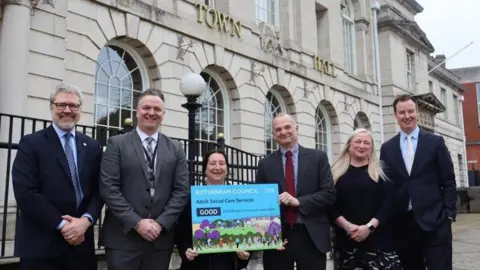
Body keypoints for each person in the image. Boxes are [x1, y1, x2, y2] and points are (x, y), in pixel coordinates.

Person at [11, 83, 104, 270]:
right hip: (41, 245)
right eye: (61, 105)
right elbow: (26, 193)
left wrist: (86, 220)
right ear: (51, 107)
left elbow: (100, 189)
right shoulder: (31, 143)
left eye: (73, 106)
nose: (67, 110)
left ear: (80, 110)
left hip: (81, 245)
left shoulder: (92, 146)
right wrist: (63, 225)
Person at [99, 88, 190, 270]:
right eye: (146, 108)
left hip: (160, 240)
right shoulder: (116, 144)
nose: (151, 113)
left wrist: (161, 223)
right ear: (137, 112)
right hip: (123, 240)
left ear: (163, 114)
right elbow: (108, 187)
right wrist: (137, 222)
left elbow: (181, 190)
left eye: (157, 109)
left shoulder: (176, 148)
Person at [380, 94, 457, 270]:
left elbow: (448, 180)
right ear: (395, 115)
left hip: (435, 222)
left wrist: (449, 214)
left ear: (417, 113)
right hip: (402, 223)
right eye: (402, 112)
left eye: (410, 111)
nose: (407, 116)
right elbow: (386, 185)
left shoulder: (435, 142)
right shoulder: (387, 148)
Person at [255, 113, 336, 270]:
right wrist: (269, 239)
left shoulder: (318, 157)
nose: (283, 132)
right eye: (278, 129)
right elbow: (260, 204)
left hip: (311, 235)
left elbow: (329, 193)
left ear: (296, 128)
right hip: (279, 238)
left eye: (287, 127)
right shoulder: (265, 164)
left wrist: (299, 201)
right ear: (273, 134)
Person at [328, 128, 401, 269]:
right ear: (349, 145)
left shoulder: (383, 171)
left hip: (379, 242)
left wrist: (369, 227)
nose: (362, 146)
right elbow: (330, 205)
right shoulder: (335, 172)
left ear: (372, 147)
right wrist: (348, 227)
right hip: (346, 242)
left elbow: (389, 203)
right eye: (358, 142)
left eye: (366, 143)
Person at [175, 149, 252, 270]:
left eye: (222, 163)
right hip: (197, 264)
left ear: (227, 169)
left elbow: (248, 229)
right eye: (212, 163)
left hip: (226, 263)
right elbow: (181, 230)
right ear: (205, 169)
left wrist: (245, 253)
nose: (217, 167)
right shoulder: (191, 197)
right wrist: (186, 250)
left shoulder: (238, 198)